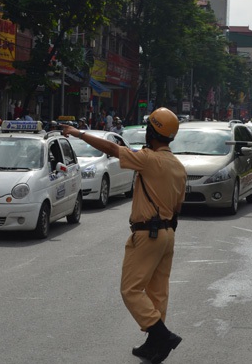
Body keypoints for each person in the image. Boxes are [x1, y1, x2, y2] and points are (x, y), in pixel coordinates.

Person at [61, 107, 186, 363]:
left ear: (152, 132)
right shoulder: (178, 166)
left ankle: (162, 335)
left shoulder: (149, 159)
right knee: (158, 291)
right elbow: (178, 207)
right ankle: (154, 344)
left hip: (148, 234)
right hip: (167, 234)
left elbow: (113, 150)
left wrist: (79, 133)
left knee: (130, 290)